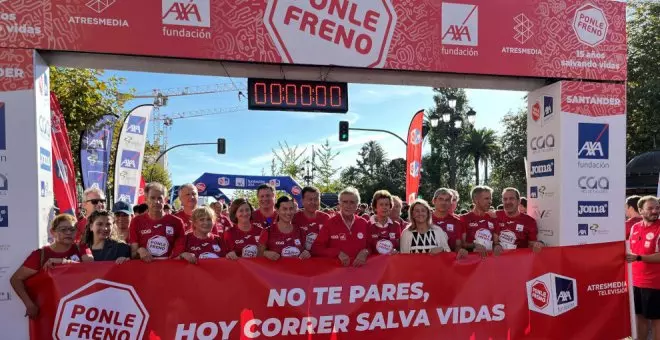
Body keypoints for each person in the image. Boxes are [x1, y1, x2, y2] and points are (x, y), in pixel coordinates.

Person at [10, 214, 93, 319]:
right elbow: (16, 279)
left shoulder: (82, 248)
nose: (68, 233)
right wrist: (29, 304)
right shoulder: (40, 255)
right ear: (52, 232)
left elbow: (92, 268)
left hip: (80, 310)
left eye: (72, 229)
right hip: (51, 312)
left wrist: (63, 262)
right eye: (63, 229)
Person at [626, 196, 660, 339]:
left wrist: (639, 257)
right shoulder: (635, 227)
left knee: (656, 321)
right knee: (639, 317)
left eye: (657, 207)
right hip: (636, 282)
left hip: (655, 284)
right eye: (650, 208)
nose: (655, 211)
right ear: (640, 211)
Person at [312, 187, 370, 267]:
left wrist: (366, 251)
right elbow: (316, 248)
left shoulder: (364, 223)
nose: (348, 205)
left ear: (358, 205)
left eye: (352, 202)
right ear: (339, 204)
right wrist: (337, 252)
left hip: (360, 273)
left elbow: (372, 246)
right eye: (345, 202)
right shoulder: (330, 223)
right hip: (337, 274)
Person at [128, 182, 185, 262]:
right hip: (144, 271)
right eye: (152, 198)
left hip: (167, 270)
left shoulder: (177, 222)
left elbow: (179, 253)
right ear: (146, 199)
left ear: (165, 200)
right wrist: (140, 250)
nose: (156, 202)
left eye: (159, 198)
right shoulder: (136, 221)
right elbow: (133, 254)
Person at [259, 196, 310, 260]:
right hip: (275, 270)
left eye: (291, 209)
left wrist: (307, 253)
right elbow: (258, 256)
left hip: (296, 269)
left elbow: (307, 252)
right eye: (284, 209)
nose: (288, 212)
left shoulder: (301, 231)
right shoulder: (267, 231)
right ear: (277, 210)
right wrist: (265, 253)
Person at [495, 188, 543, 252]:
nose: (508, 202)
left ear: (519, 201)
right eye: (505, 199)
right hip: (497, 260)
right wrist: (496, 245)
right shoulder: (494, 216)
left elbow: (532, 244)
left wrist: (540, 244)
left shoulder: (529, 221)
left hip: (518, 260)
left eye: (511, 198)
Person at [460, 186, 502, 257]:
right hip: (471, 262)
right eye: (486, 199)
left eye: (490, 198)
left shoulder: (493, 219)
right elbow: (461, 244)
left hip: (489, 261)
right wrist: (474, 245)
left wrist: (498, 246)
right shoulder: (464, 218)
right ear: (476, 200)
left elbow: (496, 242)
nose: (490, 202)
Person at [292, 186, 330, 251]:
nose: (313, 202)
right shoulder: (294, 218)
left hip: (321, 258)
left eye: (316, 199)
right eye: (310, 199)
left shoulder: (326, 218)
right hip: (301, 259)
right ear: (303, 201)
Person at [431, 188, 467, 254]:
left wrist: (461, 252)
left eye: (447, 200)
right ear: (434, 201)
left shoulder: (457, 222)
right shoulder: (424, 219)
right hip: (427, 261)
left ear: (451, 203)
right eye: (441, 199)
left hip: (448, 262)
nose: (443, 203)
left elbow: (457, 246)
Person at [367, 190, 401, 255]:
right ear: (375, 207)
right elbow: (366, 248)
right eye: (381, 204)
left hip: (390, 263)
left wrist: (396, 251)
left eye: (387, 204)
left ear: (390, 207)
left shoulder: (396, 225)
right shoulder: (368, 225)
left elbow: (399, 248)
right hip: (374, 264)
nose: (384, 207)